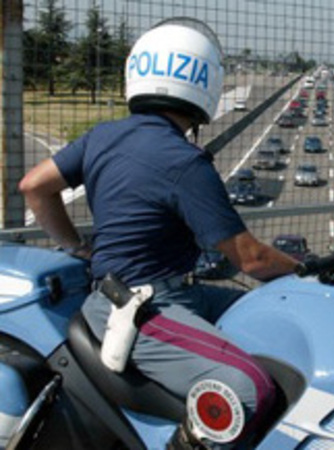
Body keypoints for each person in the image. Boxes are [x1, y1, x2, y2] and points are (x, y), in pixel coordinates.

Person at [18, 18, 299, 447]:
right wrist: (309, 270)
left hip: (149, 294)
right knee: (249, 390)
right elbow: (252, 260)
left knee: (261, 316)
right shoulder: (183, 160)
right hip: (141, 307)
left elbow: (35, 186)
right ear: (204, 81)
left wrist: (76, 246)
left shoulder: (103, 136)